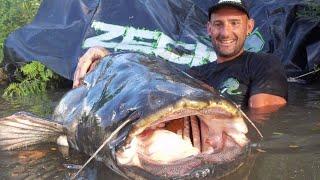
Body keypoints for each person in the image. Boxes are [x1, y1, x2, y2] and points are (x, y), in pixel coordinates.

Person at [73, 0, 288, 110]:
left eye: (234, 23)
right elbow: (153, 73)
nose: (226, 33)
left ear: (249, 27)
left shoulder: (265, 64)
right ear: (209, 29)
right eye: (218, 24)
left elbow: (264, 121)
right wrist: (106, 54)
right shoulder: (196, 73)